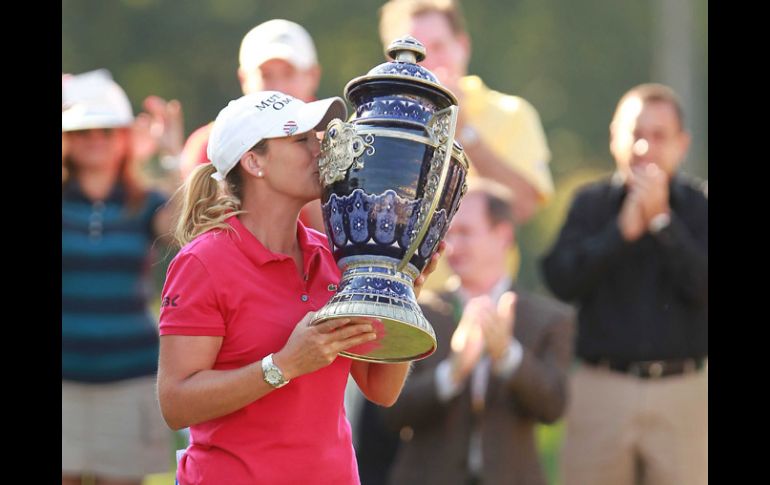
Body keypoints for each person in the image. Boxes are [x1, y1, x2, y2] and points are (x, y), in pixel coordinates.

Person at [156, 90, 443, 484]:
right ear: (254, 161)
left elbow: (381, 389)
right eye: (301, 140)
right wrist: (284, 365)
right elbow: (176, 403)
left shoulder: (336, 256)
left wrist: (402, 288)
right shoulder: (202, 263)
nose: (321, 151)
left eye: (318, 138)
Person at [541, 83, 708, 485]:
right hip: (602, 390)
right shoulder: (591, 205)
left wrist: (663, 224)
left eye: (658, 136)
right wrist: (620, 234)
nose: (644, 148)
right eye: (635, 134)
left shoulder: (700, 208)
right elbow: (560, 279)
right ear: (616, 136)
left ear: (681, 144)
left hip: (682, 392)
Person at [377, 178, 575, 485]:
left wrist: (508, 357)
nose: (452, 246)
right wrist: (452, 372)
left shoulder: (548, 319)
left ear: (503, 235)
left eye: (466, 232)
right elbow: (391, 413)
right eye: (448, 233)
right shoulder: (416, 311)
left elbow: (553, 407)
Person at [62, 69, 183, 485]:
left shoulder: (146, 202)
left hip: (129, 375)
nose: (95, 140)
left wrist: (171, 157)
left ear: (124, 139)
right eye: (82, 132)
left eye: (106, 131)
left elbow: (190, 230)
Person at [378, 0, 553, 225]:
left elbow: (523, 207)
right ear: (392, 62)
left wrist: (464, 132)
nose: (429, 64)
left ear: (463, 46)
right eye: (415, 54)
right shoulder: (369, 120)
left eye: (438, 47)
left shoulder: (512, 113)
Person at [179, 18, 325, 230]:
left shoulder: (342, 137)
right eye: (266, 75)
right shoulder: (209, 143)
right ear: (243, 78)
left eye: (288, 73)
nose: (278, 87)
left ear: (313, 75)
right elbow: (204, 233)